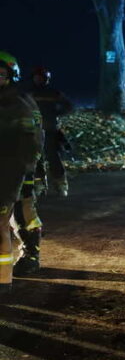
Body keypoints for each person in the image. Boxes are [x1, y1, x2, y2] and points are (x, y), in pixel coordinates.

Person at [0, 51, 44, 294]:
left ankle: (30, 255)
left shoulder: (20, 103)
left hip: (17, 170)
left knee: (24, 212)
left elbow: (32, 141)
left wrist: (30, 171)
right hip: (17, 168)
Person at [29, 65, 74, 197]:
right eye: (36, 77)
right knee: (36, 159)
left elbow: (69, 106)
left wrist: (56, 114)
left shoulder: (54, 93)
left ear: (46, 79)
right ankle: (40, 184)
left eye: (41, 77)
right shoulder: (29, 94)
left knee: (53, 157)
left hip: (49, 130)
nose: (38, 80)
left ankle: (61, 184)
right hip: (35, 130)